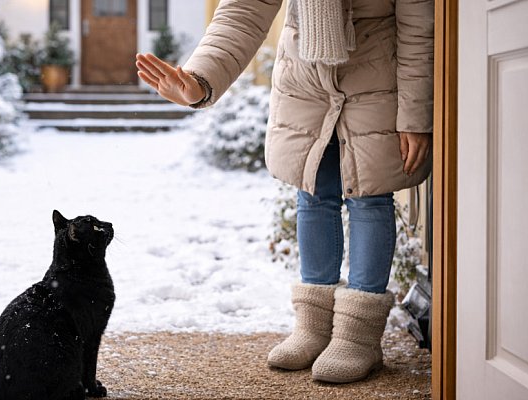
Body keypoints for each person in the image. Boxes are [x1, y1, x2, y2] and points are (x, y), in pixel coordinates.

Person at [136, 0, 433, 384]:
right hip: (304, 77)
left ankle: (358, 337)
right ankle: (313, 329)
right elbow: (244, 10)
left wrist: (416, 114)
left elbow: (418, 25)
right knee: (312, 193)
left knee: (369, 196)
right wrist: (199, 81)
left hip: (378, 76)